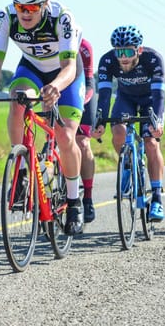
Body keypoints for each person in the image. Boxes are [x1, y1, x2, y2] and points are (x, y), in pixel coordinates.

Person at [0, 0, 85, 235]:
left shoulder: (62, 18)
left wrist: (56, 86)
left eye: (32, 7)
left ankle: (73, 200)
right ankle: (22, 169)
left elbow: (69, 67)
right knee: (18, 101)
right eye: (20, 6)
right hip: (32, 68)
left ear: (45, 3)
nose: (25, 13)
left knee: (65, 135)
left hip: (65, 74)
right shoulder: (5, 17)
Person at [94, 25, 165, 221]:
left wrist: (157, 121)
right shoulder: (107, 61)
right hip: (126, 99)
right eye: (119, 52)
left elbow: (159, 95)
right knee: (118, 131)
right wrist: (99, 120)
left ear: (138, 50)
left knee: (151, 142)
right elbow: (105, 95)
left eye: (128, 51)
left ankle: (157, 198)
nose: (123, 57)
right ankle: (127, 165)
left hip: (150, 100)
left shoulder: (153, 59)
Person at [76, 38, 99, 223]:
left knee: (82, 142)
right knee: (50, 140)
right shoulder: (46, 43)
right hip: (54, 90)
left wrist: (80, 103)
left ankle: (88, 197)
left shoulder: (84, 47)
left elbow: (89, 82)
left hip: (82, 90)